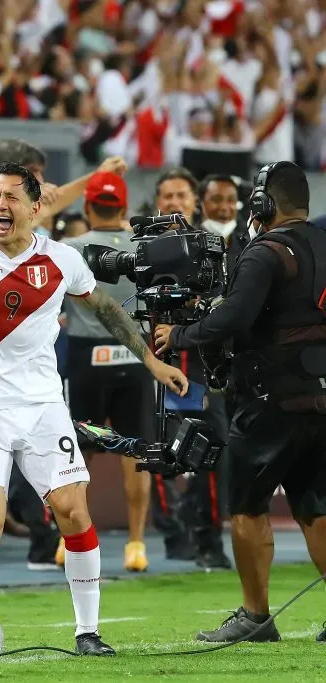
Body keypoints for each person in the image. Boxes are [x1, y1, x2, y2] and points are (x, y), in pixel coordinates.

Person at [0, 162, 188, 657]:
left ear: (36, 207)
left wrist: (150, 359)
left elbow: (105, 307)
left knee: (74, 511)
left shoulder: (62, 259)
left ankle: (88, 631)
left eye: (10, 198)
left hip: (44, 405)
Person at [154, 161, 326, 644]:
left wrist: (180, 333)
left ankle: (255, 616)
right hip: (319, 396)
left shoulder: (264, 252)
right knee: (315, 505)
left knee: (247, 507)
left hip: (269, 399)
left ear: (263, 204)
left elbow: (233, 318)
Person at [63, 171, 154, 572]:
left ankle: (69, 541)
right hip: (136, 355)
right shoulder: (144, 248)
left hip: (87, 356)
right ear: (124, 207)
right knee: (135, 451)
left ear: (87, 207)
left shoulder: (69, 248)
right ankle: (136, 542)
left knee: (75, 451)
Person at [152, 168, 232, 569]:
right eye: (167, 196)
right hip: (153, 367)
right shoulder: (141, 250)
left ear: (193, 202)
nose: (173, 203)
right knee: (159, 451)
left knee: (210, 451)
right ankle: (173, 534)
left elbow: (222, 303)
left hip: (200, 368)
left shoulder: (210, 249)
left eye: (181, 195)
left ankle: (210, 538)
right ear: (156, 202)